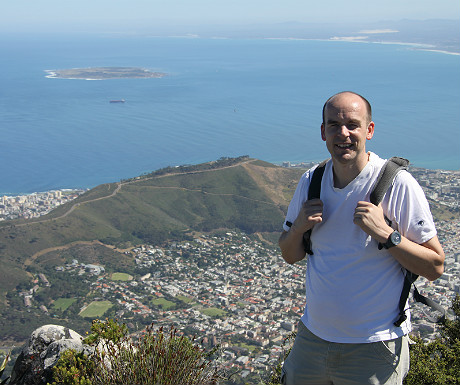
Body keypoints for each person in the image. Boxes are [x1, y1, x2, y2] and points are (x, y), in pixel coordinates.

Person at [278, 91, 445, 385]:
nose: (343, 133)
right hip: (312, 339)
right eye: (333, 125)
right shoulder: (311, 181)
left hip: (374, 346)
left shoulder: (396, 184)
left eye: (353, 125)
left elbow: (434, 266)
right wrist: (298, 228)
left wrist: (386, 234)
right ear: (323, 132)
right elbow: (290, 254)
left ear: (369, 130)